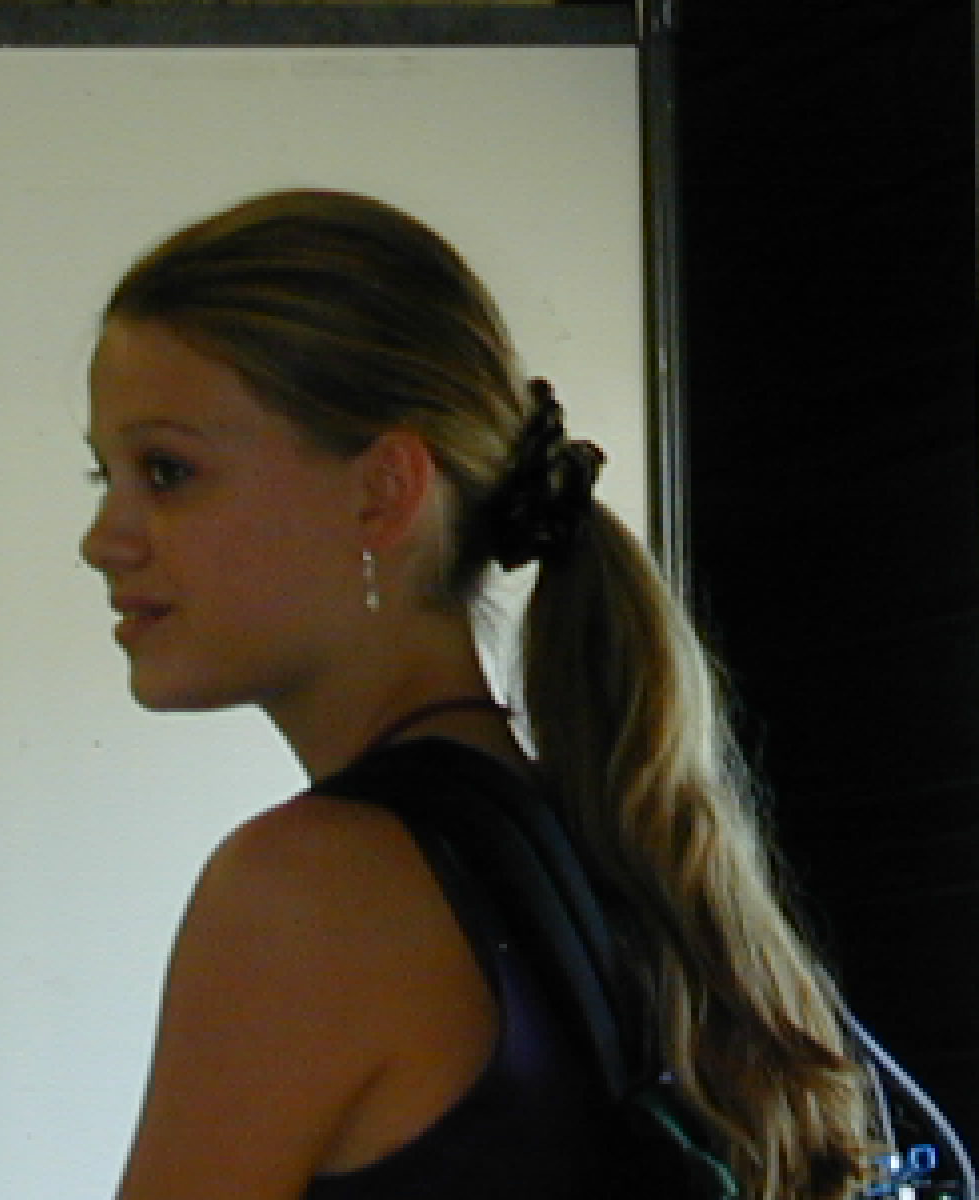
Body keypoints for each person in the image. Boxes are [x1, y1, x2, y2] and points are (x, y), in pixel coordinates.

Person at [80, 189, 872, 1200]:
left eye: (167, 471)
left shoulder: (308, 892)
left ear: (383, 491)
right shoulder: (603, 846)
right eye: (102, 476)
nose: (105, 540)